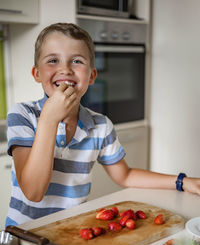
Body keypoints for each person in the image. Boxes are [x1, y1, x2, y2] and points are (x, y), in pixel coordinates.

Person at [5, 22, 200, 227]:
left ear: (91, 76)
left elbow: (125, 176)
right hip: (23, 235)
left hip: (71, 232)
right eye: (53, 60)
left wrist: (181, 181)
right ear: (37, 73)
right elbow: (33, 192)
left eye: (77, 61)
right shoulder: (22, 115)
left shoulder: (100, 125)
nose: (65, 69)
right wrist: (49, 120)